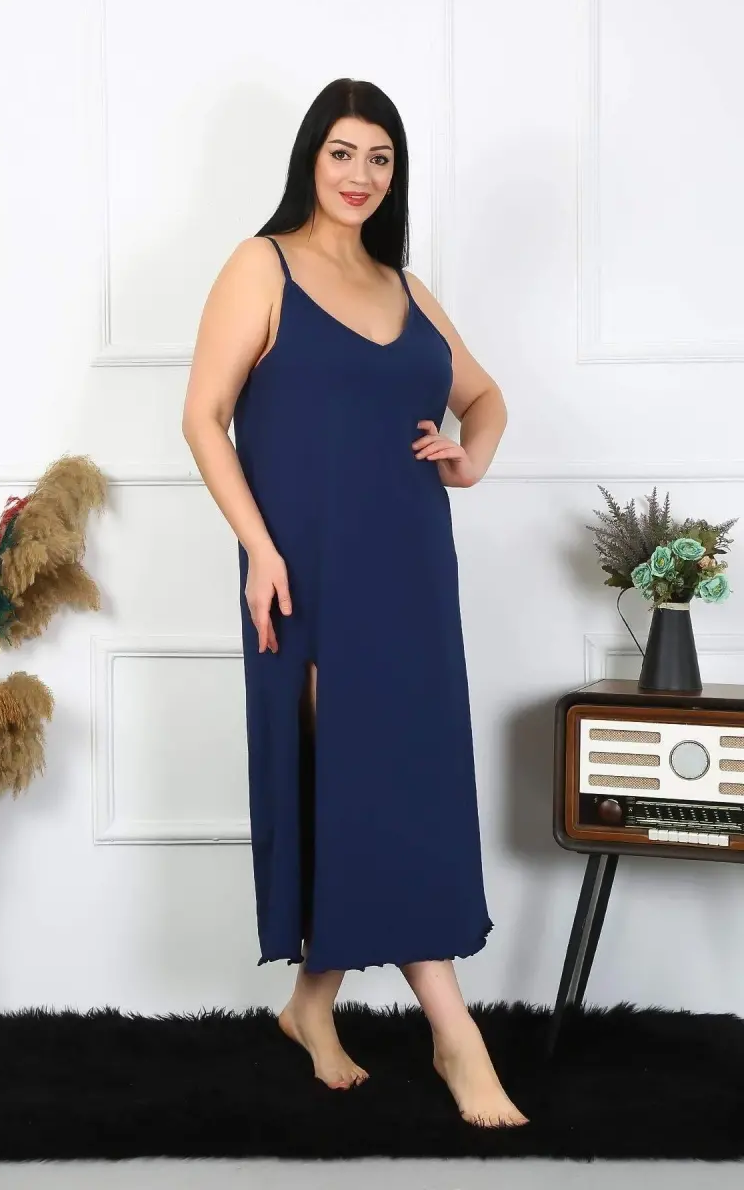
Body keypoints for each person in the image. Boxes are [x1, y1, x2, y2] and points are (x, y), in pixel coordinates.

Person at [182, 78, 527, 1129]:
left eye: (380, 157)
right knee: (356, 782)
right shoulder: (261, 265)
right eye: (342, 152)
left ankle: (309, 1006)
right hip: (307, 572)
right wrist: (257, 550)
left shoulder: (406, 287)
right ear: (310, 158)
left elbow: (484, 396)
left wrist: (468, 457)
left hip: (412, 570)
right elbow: (203, 417)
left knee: (394, 783)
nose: (360, 174)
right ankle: (455, 1033)